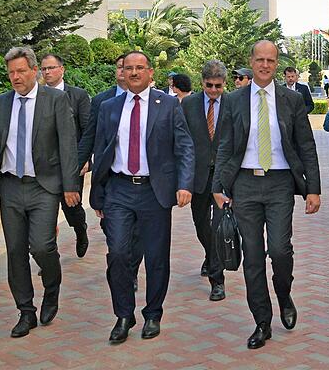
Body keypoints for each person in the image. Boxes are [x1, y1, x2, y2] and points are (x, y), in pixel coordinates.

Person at [213, 40, 321, 349]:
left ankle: (284, 293)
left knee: (279, 249)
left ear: (276, 63)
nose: (264, 65)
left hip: (279, 183)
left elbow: (306, 146)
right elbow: (224, 145)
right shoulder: (233, 100)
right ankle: (262, 321)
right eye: (259, 59)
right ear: (251, 61)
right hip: (244, 184)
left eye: (270, 60)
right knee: (253, 257)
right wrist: (218, 187)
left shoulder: (291, 99)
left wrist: (313, 188)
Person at [90, 51, 194, 344]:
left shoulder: (169, 105)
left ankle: (153, 314)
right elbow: (101, 150)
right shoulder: (109, 107)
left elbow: (184, 147)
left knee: (156, 257)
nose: (133, 73)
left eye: (139, 68)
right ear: (122, 72)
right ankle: (123, 315)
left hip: (154, 191)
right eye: (128, 68)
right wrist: (97, 195)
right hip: (119, 190)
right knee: (119, 254)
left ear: (150, 73)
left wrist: (184, 183)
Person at [0, 47, 80, 338]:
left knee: (42, 246)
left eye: (21, 71)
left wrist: (71, 186)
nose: (15, 77)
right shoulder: (1, 103)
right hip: (10, 186)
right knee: (15, 251)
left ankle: (52, 285)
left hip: (43, 186)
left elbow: (68, 146)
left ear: (34, 70)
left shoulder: (56, 100)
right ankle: (25, 311)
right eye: (11, 72)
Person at [77, 54, 143, 292]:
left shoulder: (153, 102)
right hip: (112, 182)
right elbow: (89, 136)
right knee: (115, 235)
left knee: (138, 237)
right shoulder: (102, 101)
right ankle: (119, 264)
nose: (125, 72)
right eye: (121, 67)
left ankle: (129, 272)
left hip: (143, 184)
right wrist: (77, 166)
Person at [181, 60, 228, 300]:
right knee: (202, 226)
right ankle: (210, 256)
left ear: (224, 84)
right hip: (197, 176)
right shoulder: (188, 104)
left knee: (219, 227)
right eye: (209, 85)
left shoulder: (231, 103)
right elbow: (182, 140)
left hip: (222, 177)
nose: (213, 90)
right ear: (202, 82)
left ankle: (217, 279)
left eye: (218, 86)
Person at [40, 54, 91, 258]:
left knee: (71, 207)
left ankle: (81, 230)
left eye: (51, 68)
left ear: (62, 69)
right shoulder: (37, 96)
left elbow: (86, 130)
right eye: (44, 69)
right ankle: (50, 255)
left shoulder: (77, 96)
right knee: (45, 211)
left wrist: (86, 159)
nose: (47, 72)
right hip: (44, 165)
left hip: (71, 163)